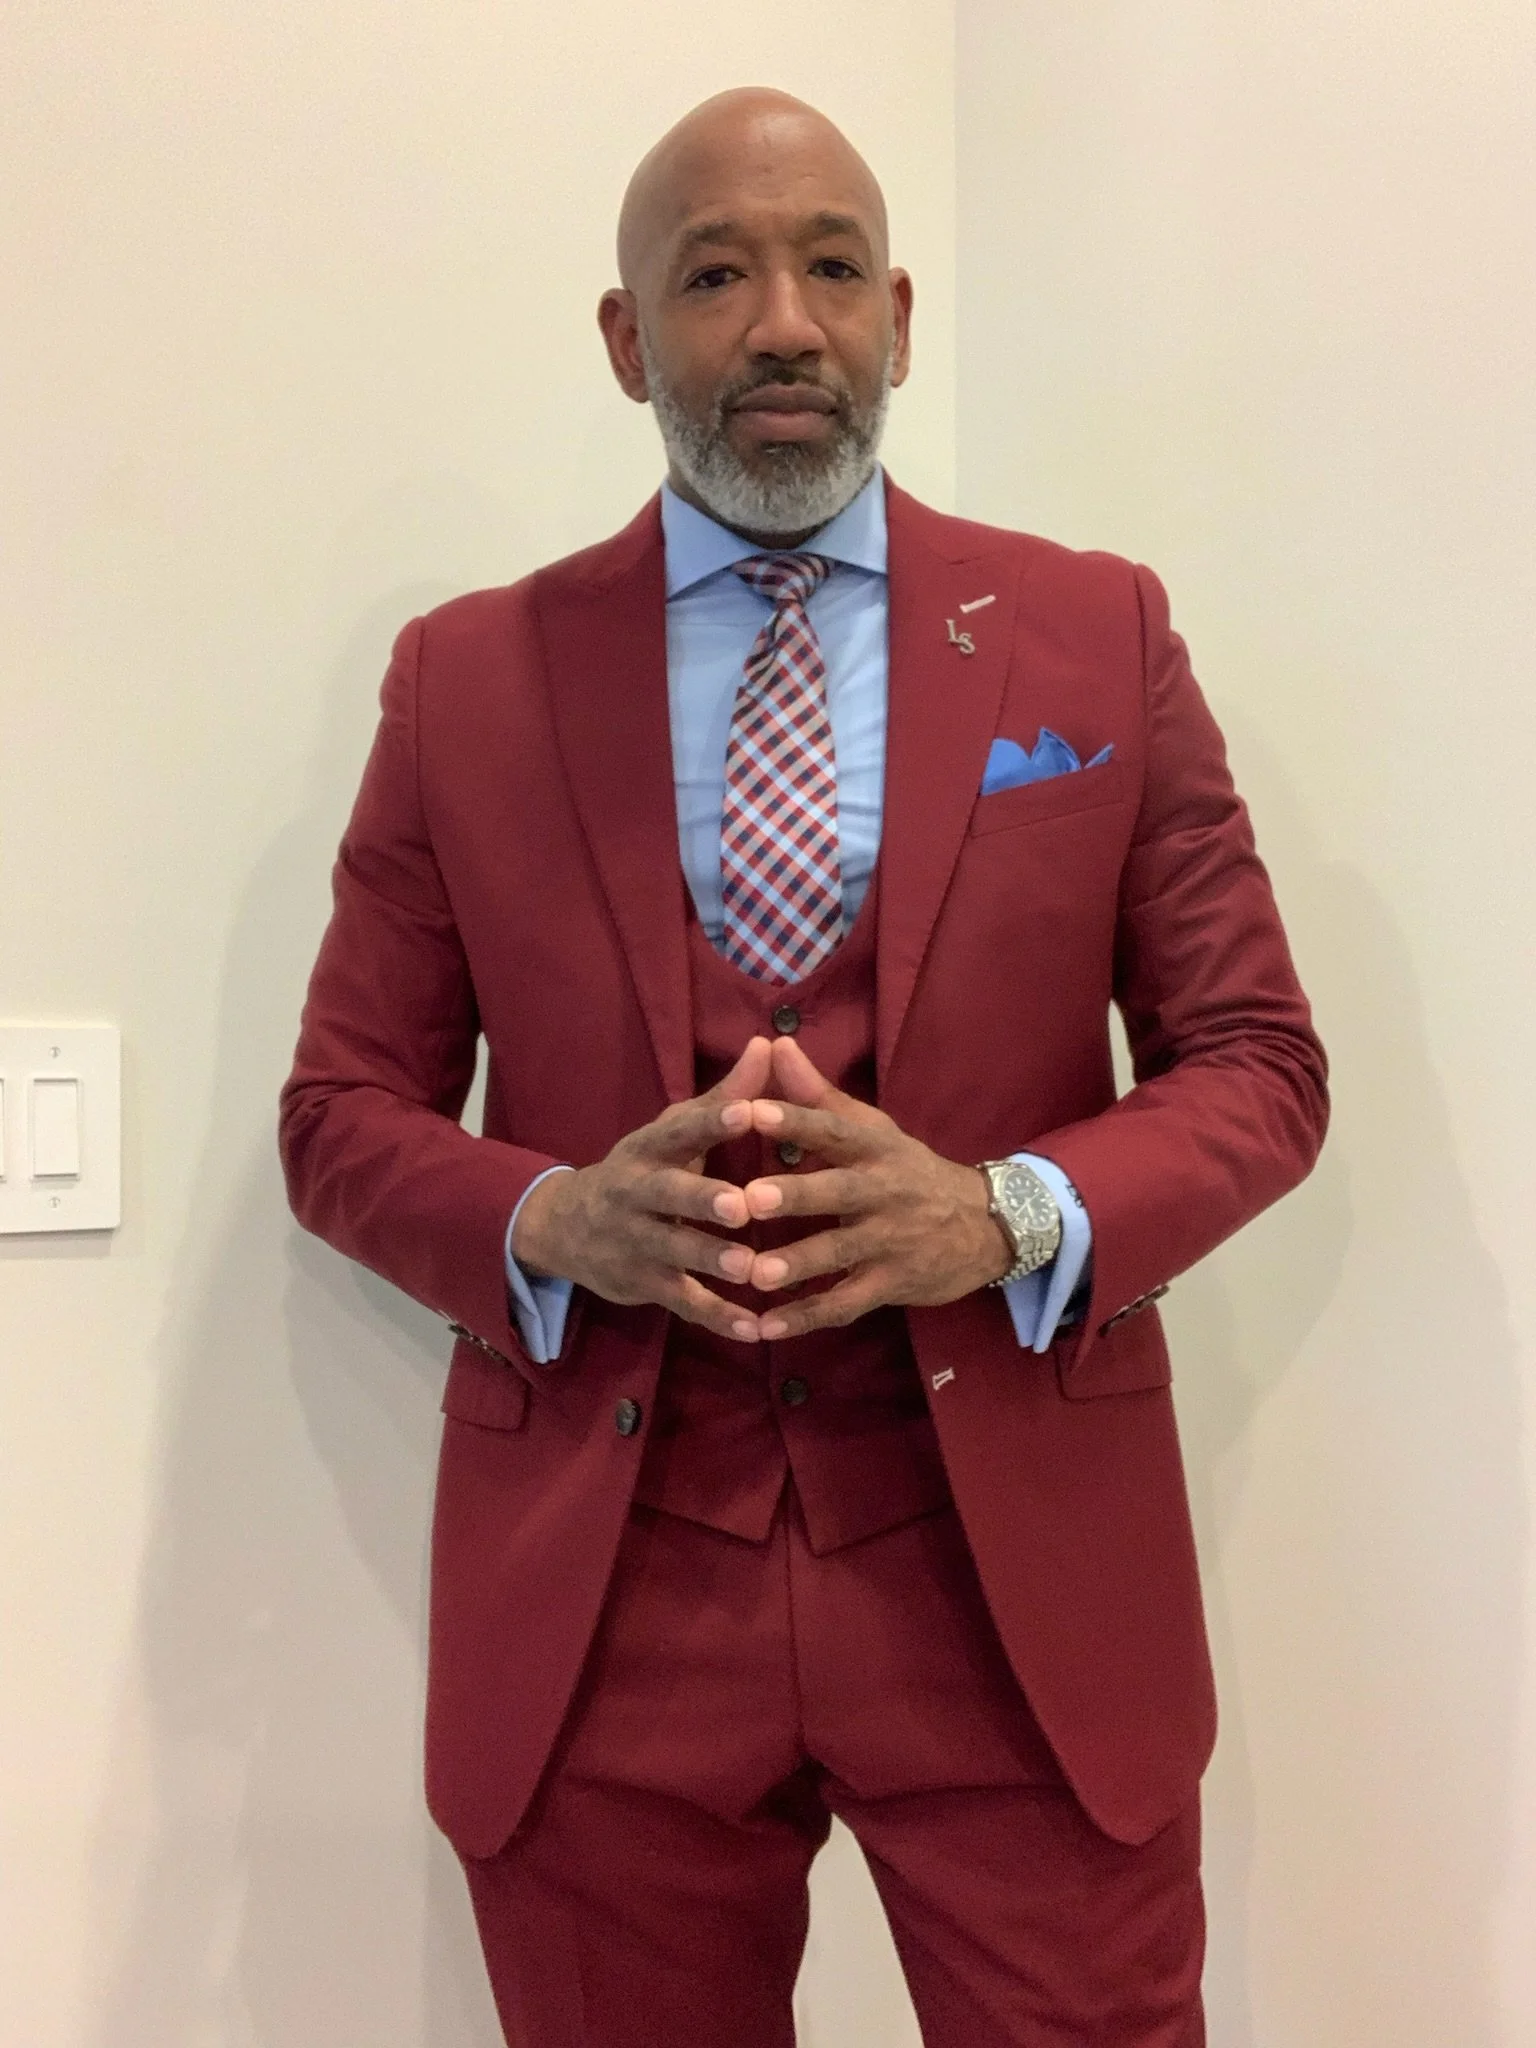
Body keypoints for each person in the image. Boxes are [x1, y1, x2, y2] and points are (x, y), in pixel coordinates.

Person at [280, 85, 1327, 2048]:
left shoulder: (1096, 639)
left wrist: (1009, 1211)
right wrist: (549, 1214)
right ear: (625, 339)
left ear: (901, 318)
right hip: (609, 1595)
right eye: (714, 273)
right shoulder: (466, 680)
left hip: (1010, 1578)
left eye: (831, 267)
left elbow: (1259, 1060)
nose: (782, 320)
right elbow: (339, 1119)